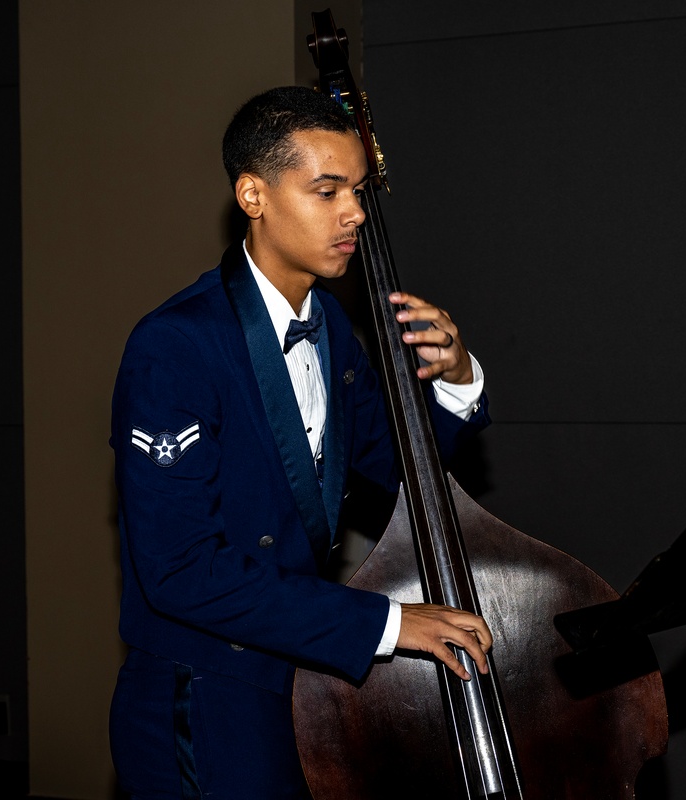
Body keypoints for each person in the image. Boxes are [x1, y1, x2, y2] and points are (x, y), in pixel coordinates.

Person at [109, 86, 493, 799]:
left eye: (358, 190)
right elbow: (181, 572)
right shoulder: (175, 347)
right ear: (253, 195)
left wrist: (458, 380)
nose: (354, 212)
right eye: (327, 191)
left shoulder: (333, 329)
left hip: (299, 683)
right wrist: (385, 623)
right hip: (201, 697)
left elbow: (404, 474)